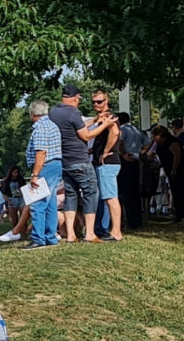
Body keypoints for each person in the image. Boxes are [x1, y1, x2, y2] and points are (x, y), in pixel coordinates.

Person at [49, 83, 114, 243]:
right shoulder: (73, 112)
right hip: (79, 160)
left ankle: (71, 234)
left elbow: (75, 128)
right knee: (91, 193)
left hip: (64, 160)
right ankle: (90, 233)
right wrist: (104, 124)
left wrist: (94, 120)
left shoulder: (54, 112)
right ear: (75, 98)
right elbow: (85, 136)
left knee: (71, 195)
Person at [23, 99, 62, 248]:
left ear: (32, 113)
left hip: (45, 167)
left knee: (38, 202)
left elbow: (41, 152)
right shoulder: (53, 125)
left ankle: (38, 239)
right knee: (51, 203)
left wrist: (35, 175)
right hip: (56, 165)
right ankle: (50, 237)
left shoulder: (39, 128)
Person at [89, 90, 123, 241]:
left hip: (107, 163)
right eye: (94, 102)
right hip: (105, 163)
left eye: (100, 101)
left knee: (110, 197)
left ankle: (116, 232)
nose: (96, 104)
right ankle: (106, 229)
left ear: (107, 100)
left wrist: (105, 151)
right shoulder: (104, 117)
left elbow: (115, 133)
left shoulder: (110, 116)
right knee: (106, 197)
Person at [116, 112, 146, 231]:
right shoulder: (137, 130)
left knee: (125, 192)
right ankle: (137, 220)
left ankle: (129, 220)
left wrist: (123, 154)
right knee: (134, 192)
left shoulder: (121, 130)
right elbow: (148, 143)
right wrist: (140, 154)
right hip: (135, 160)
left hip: (125, 161)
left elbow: (120, 142)